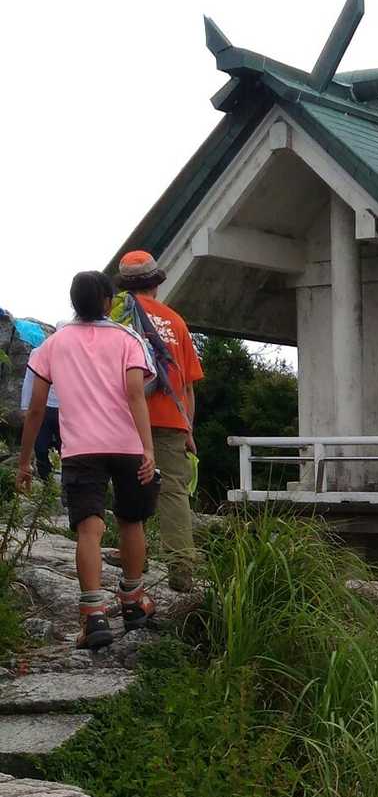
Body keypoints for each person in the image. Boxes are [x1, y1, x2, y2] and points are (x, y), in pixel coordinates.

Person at [17, 271, 159, 652]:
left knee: (89, 529)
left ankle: (93, 616)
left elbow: (35, 409)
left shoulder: (52, 344)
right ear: (108, 302)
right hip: (127, 445)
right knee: (131, 521)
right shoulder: (129, 339)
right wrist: (148, 449)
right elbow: (136, 394)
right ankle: (133, 601)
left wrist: (25, 462)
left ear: (73, 302)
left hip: (81, 449)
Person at [112, 250, 202, 592]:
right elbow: (188, 386)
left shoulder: (118, 316)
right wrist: (188, 429)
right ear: (156, 283)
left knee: (129, 484)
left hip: (126, 416)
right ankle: (180, 569)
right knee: (174, 491)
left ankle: (136, 558)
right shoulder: (176, 322)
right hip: (171, 419)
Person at [20, 360, 61, 479]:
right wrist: (24, 407)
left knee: (65, 448)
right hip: (43, 406)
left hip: (65, 408)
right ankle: (46, 479)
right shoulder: (37, 353)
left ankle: (67, 482)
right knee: (41, 448)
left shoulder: (71, 352)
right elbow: (29, 380)